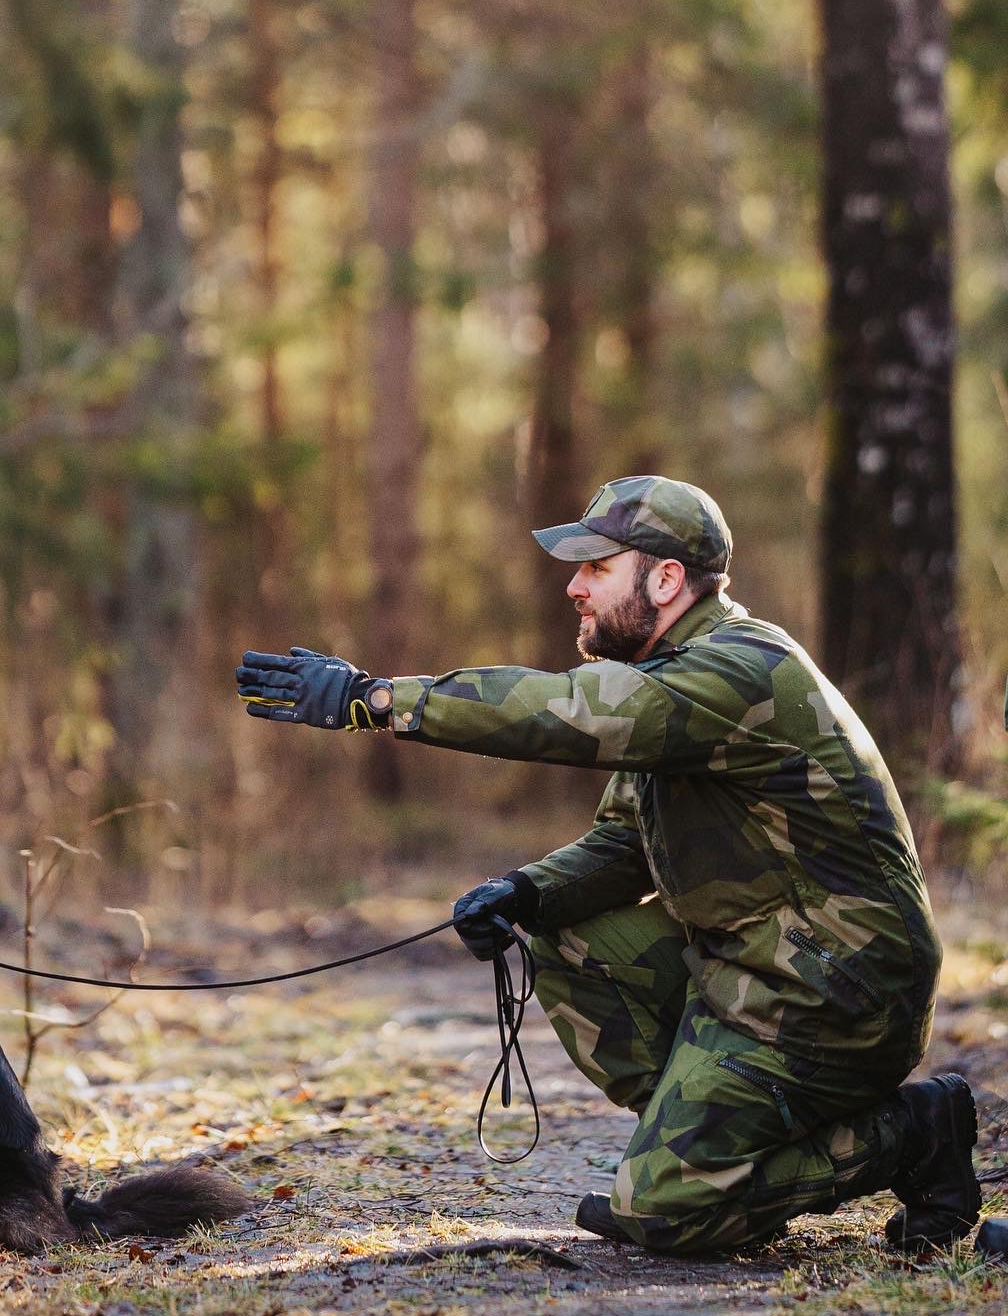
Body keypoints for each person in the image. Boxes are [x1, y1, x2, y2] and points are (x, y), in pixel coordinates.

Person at [235, 475, 981, 1254]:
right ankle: (699, 1144)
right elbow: (626, 845)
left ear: (665, 580)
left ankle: (909, 1132)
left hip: (842, 994)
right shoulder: (672, 678)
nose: (573, 586)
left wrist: (382, 699)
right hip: (759, 978)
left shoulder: (738, 672)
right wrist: (525, 891)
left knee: (665, 1215)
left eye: (597, 567)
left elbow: (570, 710)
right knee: (562, 928)